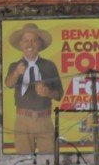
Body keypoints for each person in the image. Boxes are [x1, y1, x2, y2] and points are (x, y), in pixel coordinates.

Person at [5, 24, 61, 156]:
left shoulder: (49, 66)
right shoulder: (14, 65)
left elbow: (59, 94)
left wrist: (48, 92)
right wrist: (17, 73)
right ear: (20, 45)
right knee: (24, 161)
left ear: (40, 44)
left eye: (34, 40)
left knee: (49, 160)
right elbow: (8, 84)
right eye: (26, 40)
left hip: (44, 119)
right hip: (22, 119)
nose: (30, 44)